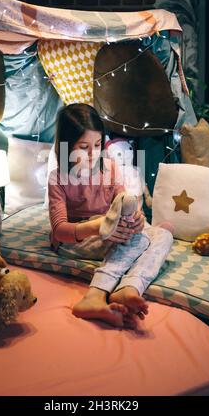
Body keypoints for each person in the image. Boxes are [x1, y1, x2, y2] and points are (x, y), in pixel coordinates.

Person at [48, 103, 173, 329]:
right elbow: (59, 230)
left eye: (97, 145)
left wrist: (136, 218)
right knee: (140, 240)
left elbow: (123, 201)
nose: (91, 154)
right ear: (67, 147)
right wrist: (99, 226)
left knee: (163, 235)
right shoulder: (58, 178)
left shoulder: (110, 168)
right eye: (83, 147)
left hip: (112, 230)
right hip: (78, 237)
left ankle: (129, 287)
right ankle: (95, 294)